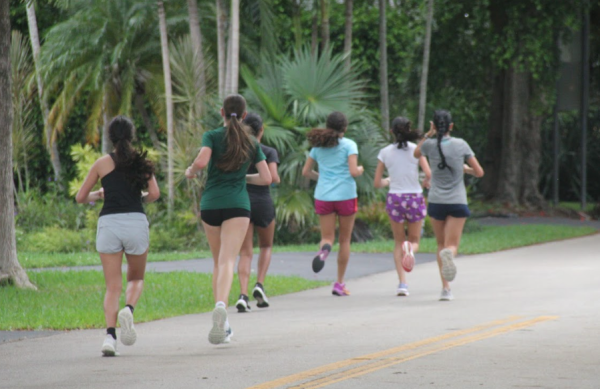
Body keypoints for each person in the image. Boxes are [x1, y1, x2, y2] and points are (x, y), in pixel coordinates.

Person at [185, 95, 271, 344]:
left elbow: (201, 161)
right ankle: (221, 307)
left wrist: (191, 171)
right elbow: (266, 178)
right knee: (227, 262)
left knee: (217, 262)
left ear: (222, 112)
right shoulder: (251, 141)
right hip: (237, 206)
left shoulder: (211, 136)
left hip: (211, 204)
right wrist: (243, 178)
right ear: (244, 115)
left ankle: (224, 321)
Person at [76, 115, 160, 356]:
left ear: (110, 137)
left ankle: (110, 338)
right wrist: (138, 198)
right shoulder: (141, 161)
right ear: (131, 136)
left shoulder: (102, 163)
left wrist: (100, 195)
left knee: (113, 287)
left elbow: (81, 197)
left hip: (109, 224)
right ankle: (129, 310)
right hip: (135, 222)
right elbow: (154, 193)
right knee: (136, 279)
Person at [414, 109, 484, 301]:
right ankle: (449, 255)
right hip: (457, 201)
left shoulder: (428, 145)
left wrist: (428, 134)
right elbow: (479, 172)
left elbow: (416, 153)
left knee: (440, 244)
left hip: (437, 201)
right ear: (451, 126)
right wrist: (465, 169)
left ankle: (446, 289)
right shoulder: (461, 145)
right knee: (451, 245)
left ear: (434, 126)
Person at [302, 111, 363, 296]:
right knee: (344, 240)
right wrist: (360, 170)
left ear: (328, 126)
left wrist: (321, 177)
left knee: (327, 237)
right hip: (345, 196)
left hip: (324, 195)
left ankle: (325, 249)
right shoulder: (349, 145)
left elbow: (306, 172)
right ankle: (339, 283)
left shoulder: (318, 148)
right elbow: (353, 171)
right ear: (344, 127)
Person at [374, 116, 431, 297]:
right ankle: (411, 251)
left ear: (392, 132)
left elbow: (377, 183)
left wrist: (389, 180)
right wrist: (424, 183)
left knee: (399, 241)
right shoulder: (416, 150)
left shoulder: (384, 152)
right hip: (414, 196)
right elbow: (428, 173)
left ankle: (402, 284)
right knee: (414, 241)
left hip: (395, 198)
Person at [235, 113, 281, 313]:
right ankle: (259, 285)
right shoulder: (268, 151)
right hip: (263, 202)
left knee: (245, 252)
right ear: (261, 130)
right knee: (266, 246)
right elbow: (273, 178)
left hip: (242, 203)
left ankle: (243, 295)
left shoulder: (237, 152)